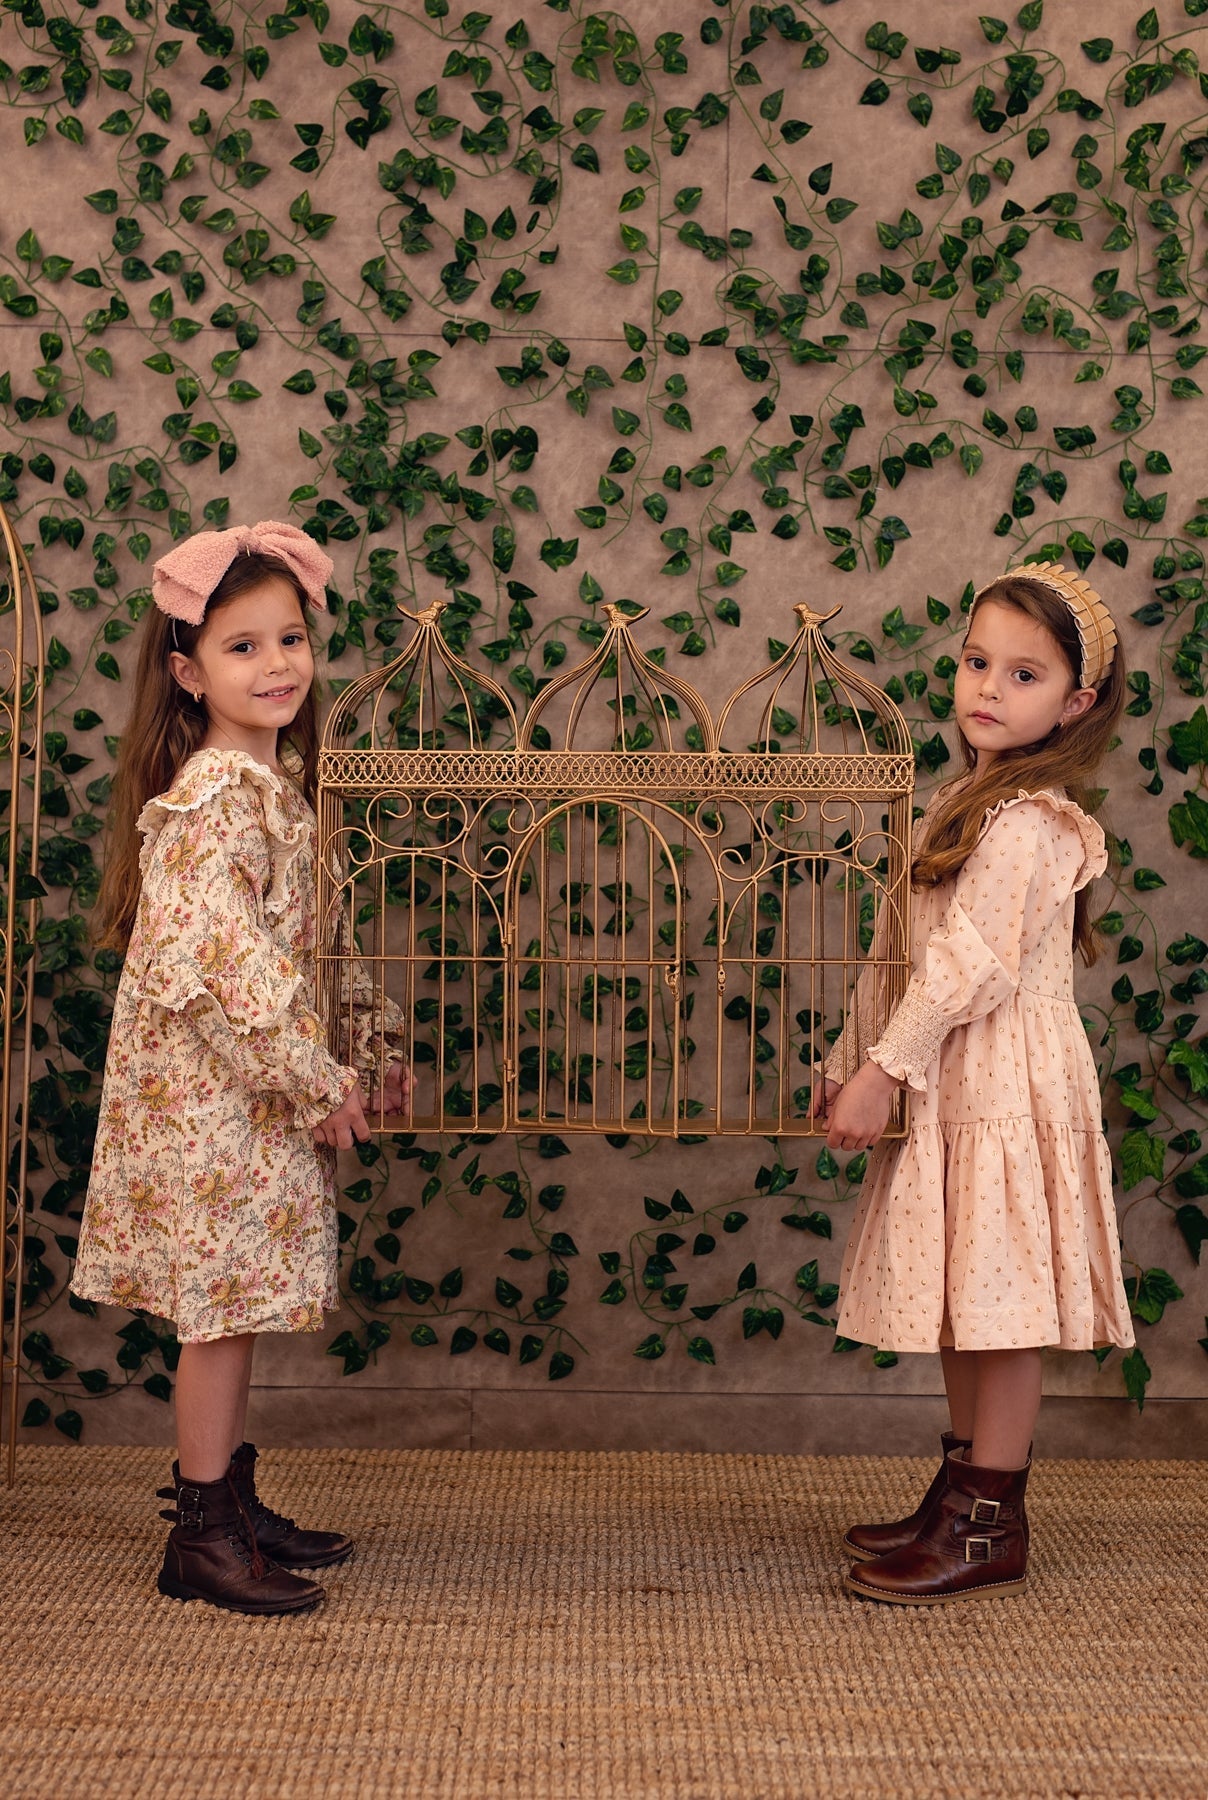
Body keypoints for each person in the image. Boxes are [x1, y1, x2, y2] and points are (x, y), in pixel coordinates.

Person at [72, 521, 408, 1615]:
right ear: (188, 673)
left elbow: (310, 945)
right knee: (217, 1314)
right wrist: (316, 1078)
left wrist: (367, 1042)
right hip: (214, 1103)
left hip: (247, 1097)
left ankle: (229, 1497)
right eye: (243, 647)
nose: (276, 666)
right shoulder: (213, 797)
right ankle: (202, 1533)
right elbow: (220, 968)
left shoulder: (278, 786)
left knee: (235, 1302)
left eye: (291, 640)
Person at [816, 561, 1134, 1604]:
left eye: (1024, 674)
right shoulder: (966, 801)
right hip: (951, 1074)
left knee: (1000, 1308)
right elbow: (900, 952)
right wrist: (849, 1057)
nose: (988, 688)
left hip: (1003, 1084)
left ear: (1076, 703)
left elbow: (968, 968)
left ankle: (989, 1520)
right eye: (975, 661)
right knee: (966, 1295)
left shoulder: (1033, 822)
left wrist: (881, 1072)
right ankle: (961, 1491)